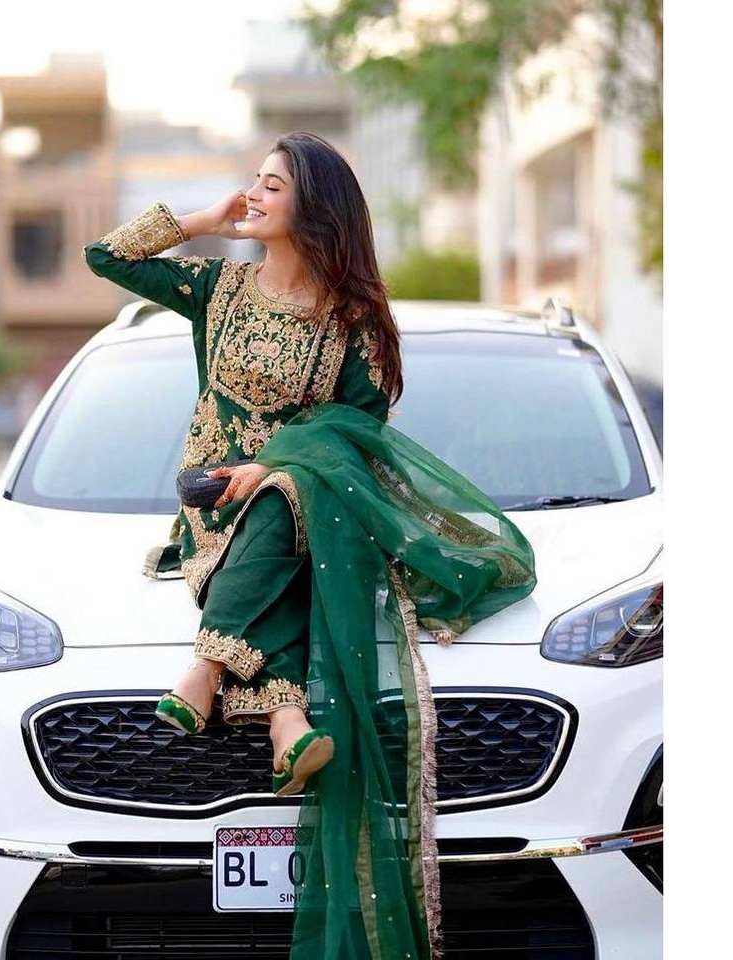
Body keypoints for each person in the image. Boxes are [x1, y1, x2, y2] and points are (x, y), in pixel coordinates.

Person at [83, 131, 537, 960]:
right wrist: (202, 220)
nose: (254, 195)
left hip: (305, 513)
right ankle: (285, 717)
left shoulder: (352, 325)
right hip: (213, 511)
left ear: (315, 206)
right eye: (252, 182)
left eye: (272, 186)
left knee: (294, 495)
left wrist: (278, 464)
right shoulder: (219, 288)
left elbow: (356, 441)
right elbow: (105, 257)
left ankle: (213, 672)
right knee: (283, 531)